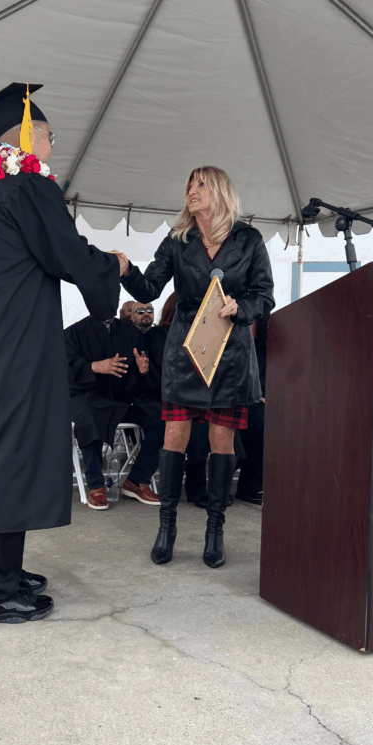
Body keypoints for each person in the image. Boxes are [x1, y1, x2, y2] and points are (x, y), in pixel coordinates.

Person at [0, 82, 121, 627]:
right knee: (7, 457)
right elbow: (67, 253)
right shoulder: (26, 187)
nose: (51, 147)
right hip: (16, 348)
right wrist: (113, 267)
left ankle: (1, 568)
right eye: (48, 136)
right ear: (26, 135)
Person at [115, 166, 274, 568]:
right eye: (189, 185)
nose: (192, 191)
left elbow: (264, 295)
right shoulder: (177, 241)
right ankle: (166, 527)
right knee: (174, 437)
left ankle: (215, 530)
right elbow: (150, 289)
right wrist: (127, 271)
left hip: (230, 353)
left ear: (220, 191)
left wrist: (242, 307)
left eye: (201, 185)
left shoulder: (249, 239)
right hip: (184, 353)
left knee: (222, 444)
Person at [65, 307, 163, 511]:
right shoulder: (73, 332)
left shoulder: (133, 333)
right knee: (88, 416)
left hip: (121, 400)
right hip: (87, 398)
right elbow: (64, 369)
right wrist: (93, 367)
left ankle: (137, 480)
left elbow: (136, 383)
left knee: (162, 418)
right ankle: (96, 485)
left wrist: (142, 371)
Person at [146, 293, 210, 508]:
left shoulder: (202, 335)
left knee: (204, 425)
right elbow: (162, 366)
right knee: (187, 425)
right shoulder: (157, 334)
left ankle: (198, 488)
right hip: (164, 394)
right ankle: (171, 492)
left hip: (196, 395)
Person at [234, 313, 269, 506]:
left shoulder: (267, 345)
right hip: (234, 399)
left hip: (262, 400)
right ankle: (250, 486)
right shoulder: (232, 343)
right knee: (257, 417)